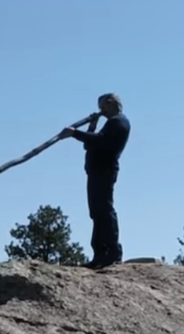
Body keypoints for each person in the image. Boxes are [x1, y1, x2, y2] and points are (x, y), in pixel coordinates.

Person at [59, 94, 131, 269]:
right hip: (96, 170)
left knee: (104, 210)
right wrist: (92, 125)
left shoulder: (118, 122)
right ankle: (100, 253)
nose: (100, 110)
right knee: (97, 212)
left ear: (110, 103)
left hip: (104, 170)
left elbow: (100, 140)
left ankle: (112, 251)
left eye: (102, 106)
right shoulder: (111, 123)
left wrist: (75, 133)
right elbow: (89, 144)